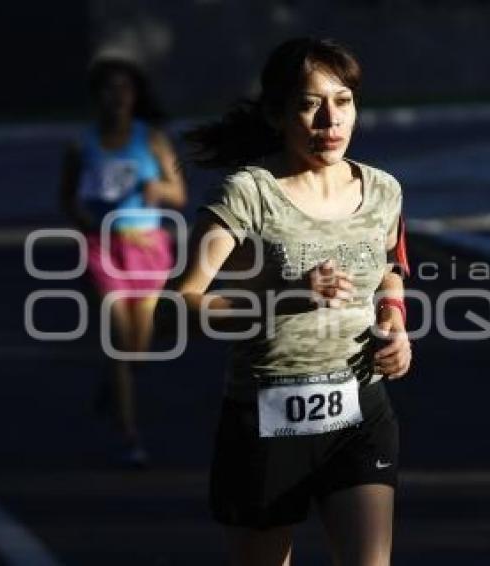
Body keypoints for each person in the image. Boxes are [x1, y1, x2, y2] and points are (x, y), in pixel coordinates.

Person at [159, 37, 412, 565]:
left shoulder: (384, 190)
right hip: (267, 415)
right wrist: (287, 295)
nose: (329, 120)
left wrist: (395, 322)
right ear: (277, 115)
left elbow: (389, 270)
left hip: (360, 409)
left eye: (343, 101)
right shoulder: (248, 194)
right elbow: (176, 304)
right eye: (309, 104)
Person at [59, 55, 186, 467]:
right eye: (109, 90)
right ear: (98, 97)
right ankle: (130, 435)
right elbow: (67, 199)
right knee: (116, 342)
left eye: (125, 90)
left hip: (147, 248)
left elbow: (178, 194)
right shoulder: (82, 145)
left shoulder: (151, 140)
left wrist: (157, 189)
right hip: (103, 246)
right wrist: (82, 219)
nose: (117, 97)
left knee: (139, 347)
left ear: (135, 96)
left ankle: (111, 386)